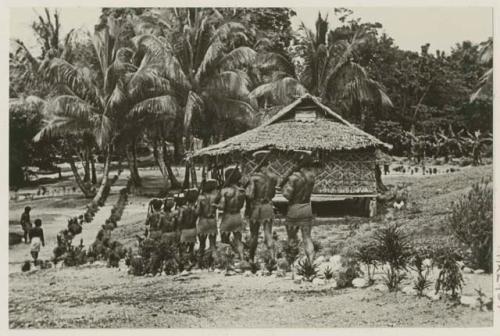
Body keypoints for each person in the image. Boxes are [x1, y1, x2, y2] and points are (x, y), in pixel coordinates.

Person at [281, 151, 317, 262]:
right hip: (306, 207)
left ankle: (290, 263)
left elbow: (287, 195)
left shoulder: (294, 178)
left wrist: (282, 188)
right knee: (307, 238)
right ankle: (311, 262)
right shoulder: (311, 177)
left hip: (294, 208)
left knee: (292, 238)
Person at [245, 150, 278, 262]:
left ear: (257, 162)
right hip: (268, 206)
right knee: (268, 234)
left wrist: (245, 190)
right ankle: (273, 258)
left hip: (256, 207)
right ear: (267, 162)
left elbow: (251, 195)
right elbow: (272, 194)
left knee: (254, 235)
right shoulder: (273, 177)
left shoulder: (254, 178)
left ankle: (251, 259)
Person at [218, 167, 246, 261]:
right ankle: (242, 258)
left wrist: (215, 204)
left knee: (224, 239)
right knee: (238, 240)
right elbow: (241, 206)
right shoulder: (242, 191)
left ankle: (226, 261)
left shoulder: (224, 191)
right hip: (237, 216)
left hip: (227, 216)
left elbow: (221, 206)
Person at [196, 179, 221, 256]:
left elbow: (198, 211)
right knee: (213, 246)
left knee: (201, 245)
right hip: (212, 221)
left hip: (203, 221)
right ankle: (214, 262)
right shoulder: (216, 196)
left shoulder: (201, 197)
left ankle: (200, 262)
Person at [178, 189, 199, 265]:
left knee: (183, 248)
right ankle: (191, 261)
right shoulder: (196, 209)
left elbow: (180, 220)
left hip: (185, 230)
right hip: (193, 230)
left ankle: (185, 262)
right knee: (191, 248)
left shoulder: (183, 209)